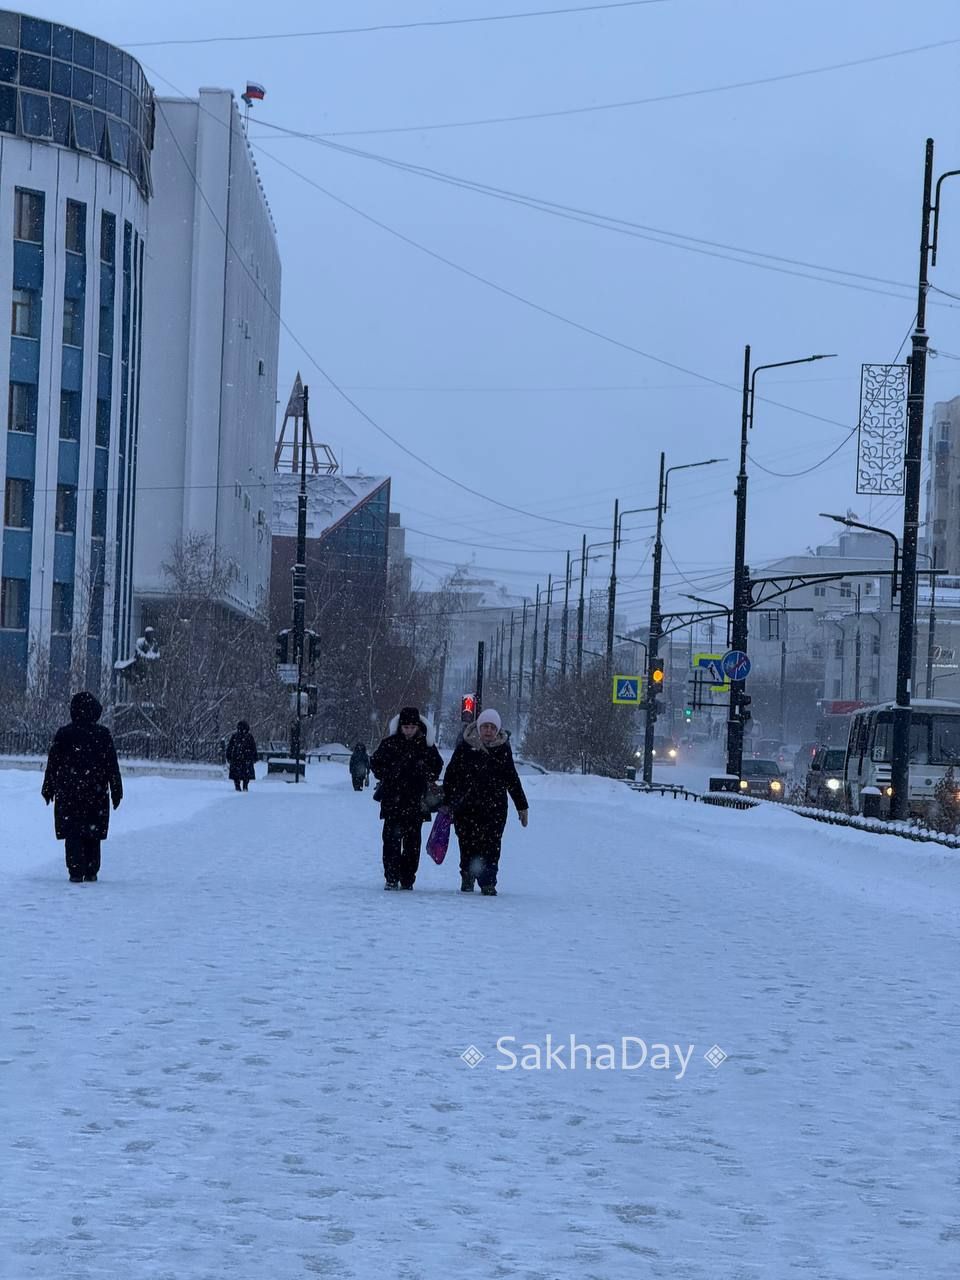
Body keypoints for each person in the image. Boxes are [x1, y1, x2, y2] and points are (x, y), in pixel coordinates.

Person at [442, 708, 528, 897]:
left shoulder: (503, 750)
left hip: (494, 809)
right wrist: (447, 802)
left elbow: (512, 779)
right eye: (485, 727)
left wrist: (522, 806)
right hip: (466, 808)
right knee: (467, 844)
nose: (488, 731)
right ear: (478, 728)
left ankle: (488, 882)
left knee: (491, 846)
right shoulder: (465, 746)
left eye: (492, 727)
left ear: (497, 730)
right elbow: (451, 776)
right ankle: (467, 876)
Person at [41, 691, 123, 884]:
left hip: (69, 793)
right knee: (92, 834)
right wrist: (116, 790)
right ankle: (91, 870)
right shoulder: (102, 735)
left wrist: (48, 787)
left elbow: (53, 763)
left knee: (73, 833)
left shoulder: (64, 734)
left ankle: (75, 871)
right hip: (95, 793)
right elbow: (112, 765)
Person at [370, 706, 443, 891]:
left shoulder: (426, 745)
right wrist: (389, 773)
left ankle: (407, 878)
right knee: (391, 843)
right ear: (400, 726)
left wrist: (424, 773)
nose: (409, 730)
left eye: (412, 727)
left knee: (412, 844)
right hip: (394, 801)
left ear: (418, 726)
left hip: (414, 803)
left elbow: (437, 766)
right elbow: (376, 764)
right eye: (406, 727)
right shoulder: (389, 743)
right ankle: (392, 877)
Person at [225, 720, 258, 792]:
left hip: (237, 759)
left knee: (236, 775)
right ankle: (244, 786)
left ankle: (238, 786)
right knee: (246, 775)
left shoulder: (235, 736)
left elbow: (230, 747)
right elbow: (253, 748)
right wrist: (254, 757)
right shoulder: (249, 736)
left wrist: (229, 756)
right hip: (246, 759)